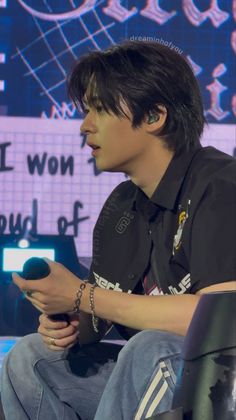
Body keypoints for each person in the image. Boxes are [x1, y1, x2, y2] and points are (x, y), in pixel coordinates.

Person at [1, 41, 236, 420]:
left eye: (99, 108)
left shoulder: (221, 186)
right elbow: (100, 308)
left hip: (222, 383)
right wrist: (67, 318)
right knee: (32, 359)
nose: (85, 125)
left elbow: (223, 320)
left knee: (149, 349)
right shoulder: (122, 206)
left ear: (154, 116)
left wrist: (82, 295)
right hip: (155, 375)